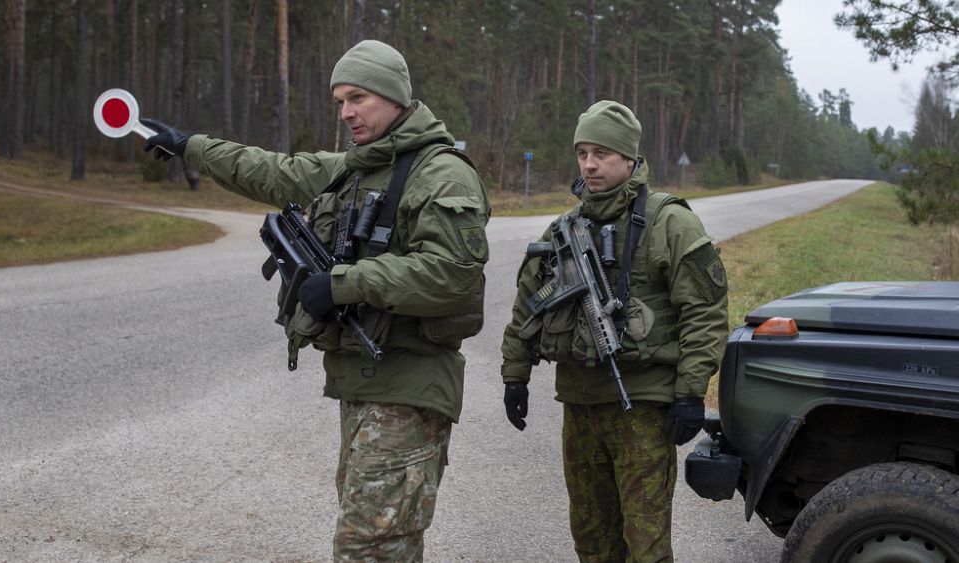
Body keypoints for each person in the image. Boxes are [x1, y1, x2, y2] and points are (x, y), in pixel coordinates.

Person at [142, 40, 490, 561]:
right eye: (339, 102)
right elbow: (269, 170)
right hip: (363, 387)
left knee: (369, 547)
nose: (347, 112)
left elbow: (454, 273)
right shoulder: (353, 169)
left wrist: (342, 283)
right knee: (374, 542)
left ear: (395, 98)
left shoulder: (440, 173)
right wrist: (190, 146)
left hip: (409, 389)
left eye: (358, 98)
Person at [499, 100, 728, 562]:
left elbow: (705, 313)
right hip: (580, 407)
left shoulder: (670, 222)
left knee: (645, 546)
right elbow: (528, 306)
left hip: (641, 408)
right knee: (592, 542)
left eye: (601, 153)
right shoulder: (563, 229)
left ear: (629, 158)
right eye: (582, 152)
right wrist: (514, 375)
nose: (589, 164)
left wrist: (689, 393)